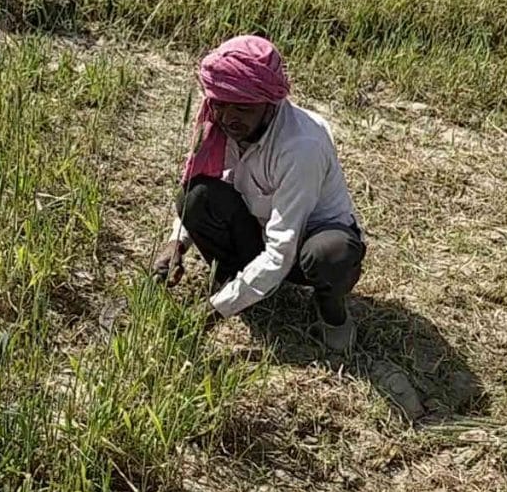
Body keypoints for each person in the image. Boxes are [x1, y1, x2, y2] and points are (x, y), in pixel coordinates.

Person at [152, 35, 366, 350]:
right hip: (261, 230)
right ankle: (236, 278)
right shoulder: (221, 126)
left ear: (270, 103)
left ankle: (330, 310)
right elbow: (204, 179)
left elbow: (282, 253)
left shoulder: (301, 146)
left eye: (242, 108)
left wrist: (210, 313)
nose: (228, 118)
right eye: (221, 105)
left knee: (329, 255)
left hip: (306, 242)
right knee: (194, 197)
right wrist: (176, 243)